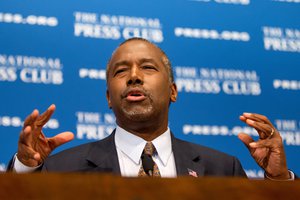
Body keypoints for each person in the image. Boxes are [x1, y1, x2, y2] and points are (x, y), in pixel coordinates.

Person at [8, 38, 293, 180]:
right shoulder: (62, 170)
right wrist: (25, 170)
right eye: (122, 71)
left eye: (147, 67)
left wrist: (279, 181)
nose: (134, 76)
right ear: (109, 97)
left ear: (172, 91)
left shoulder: (222, 169)